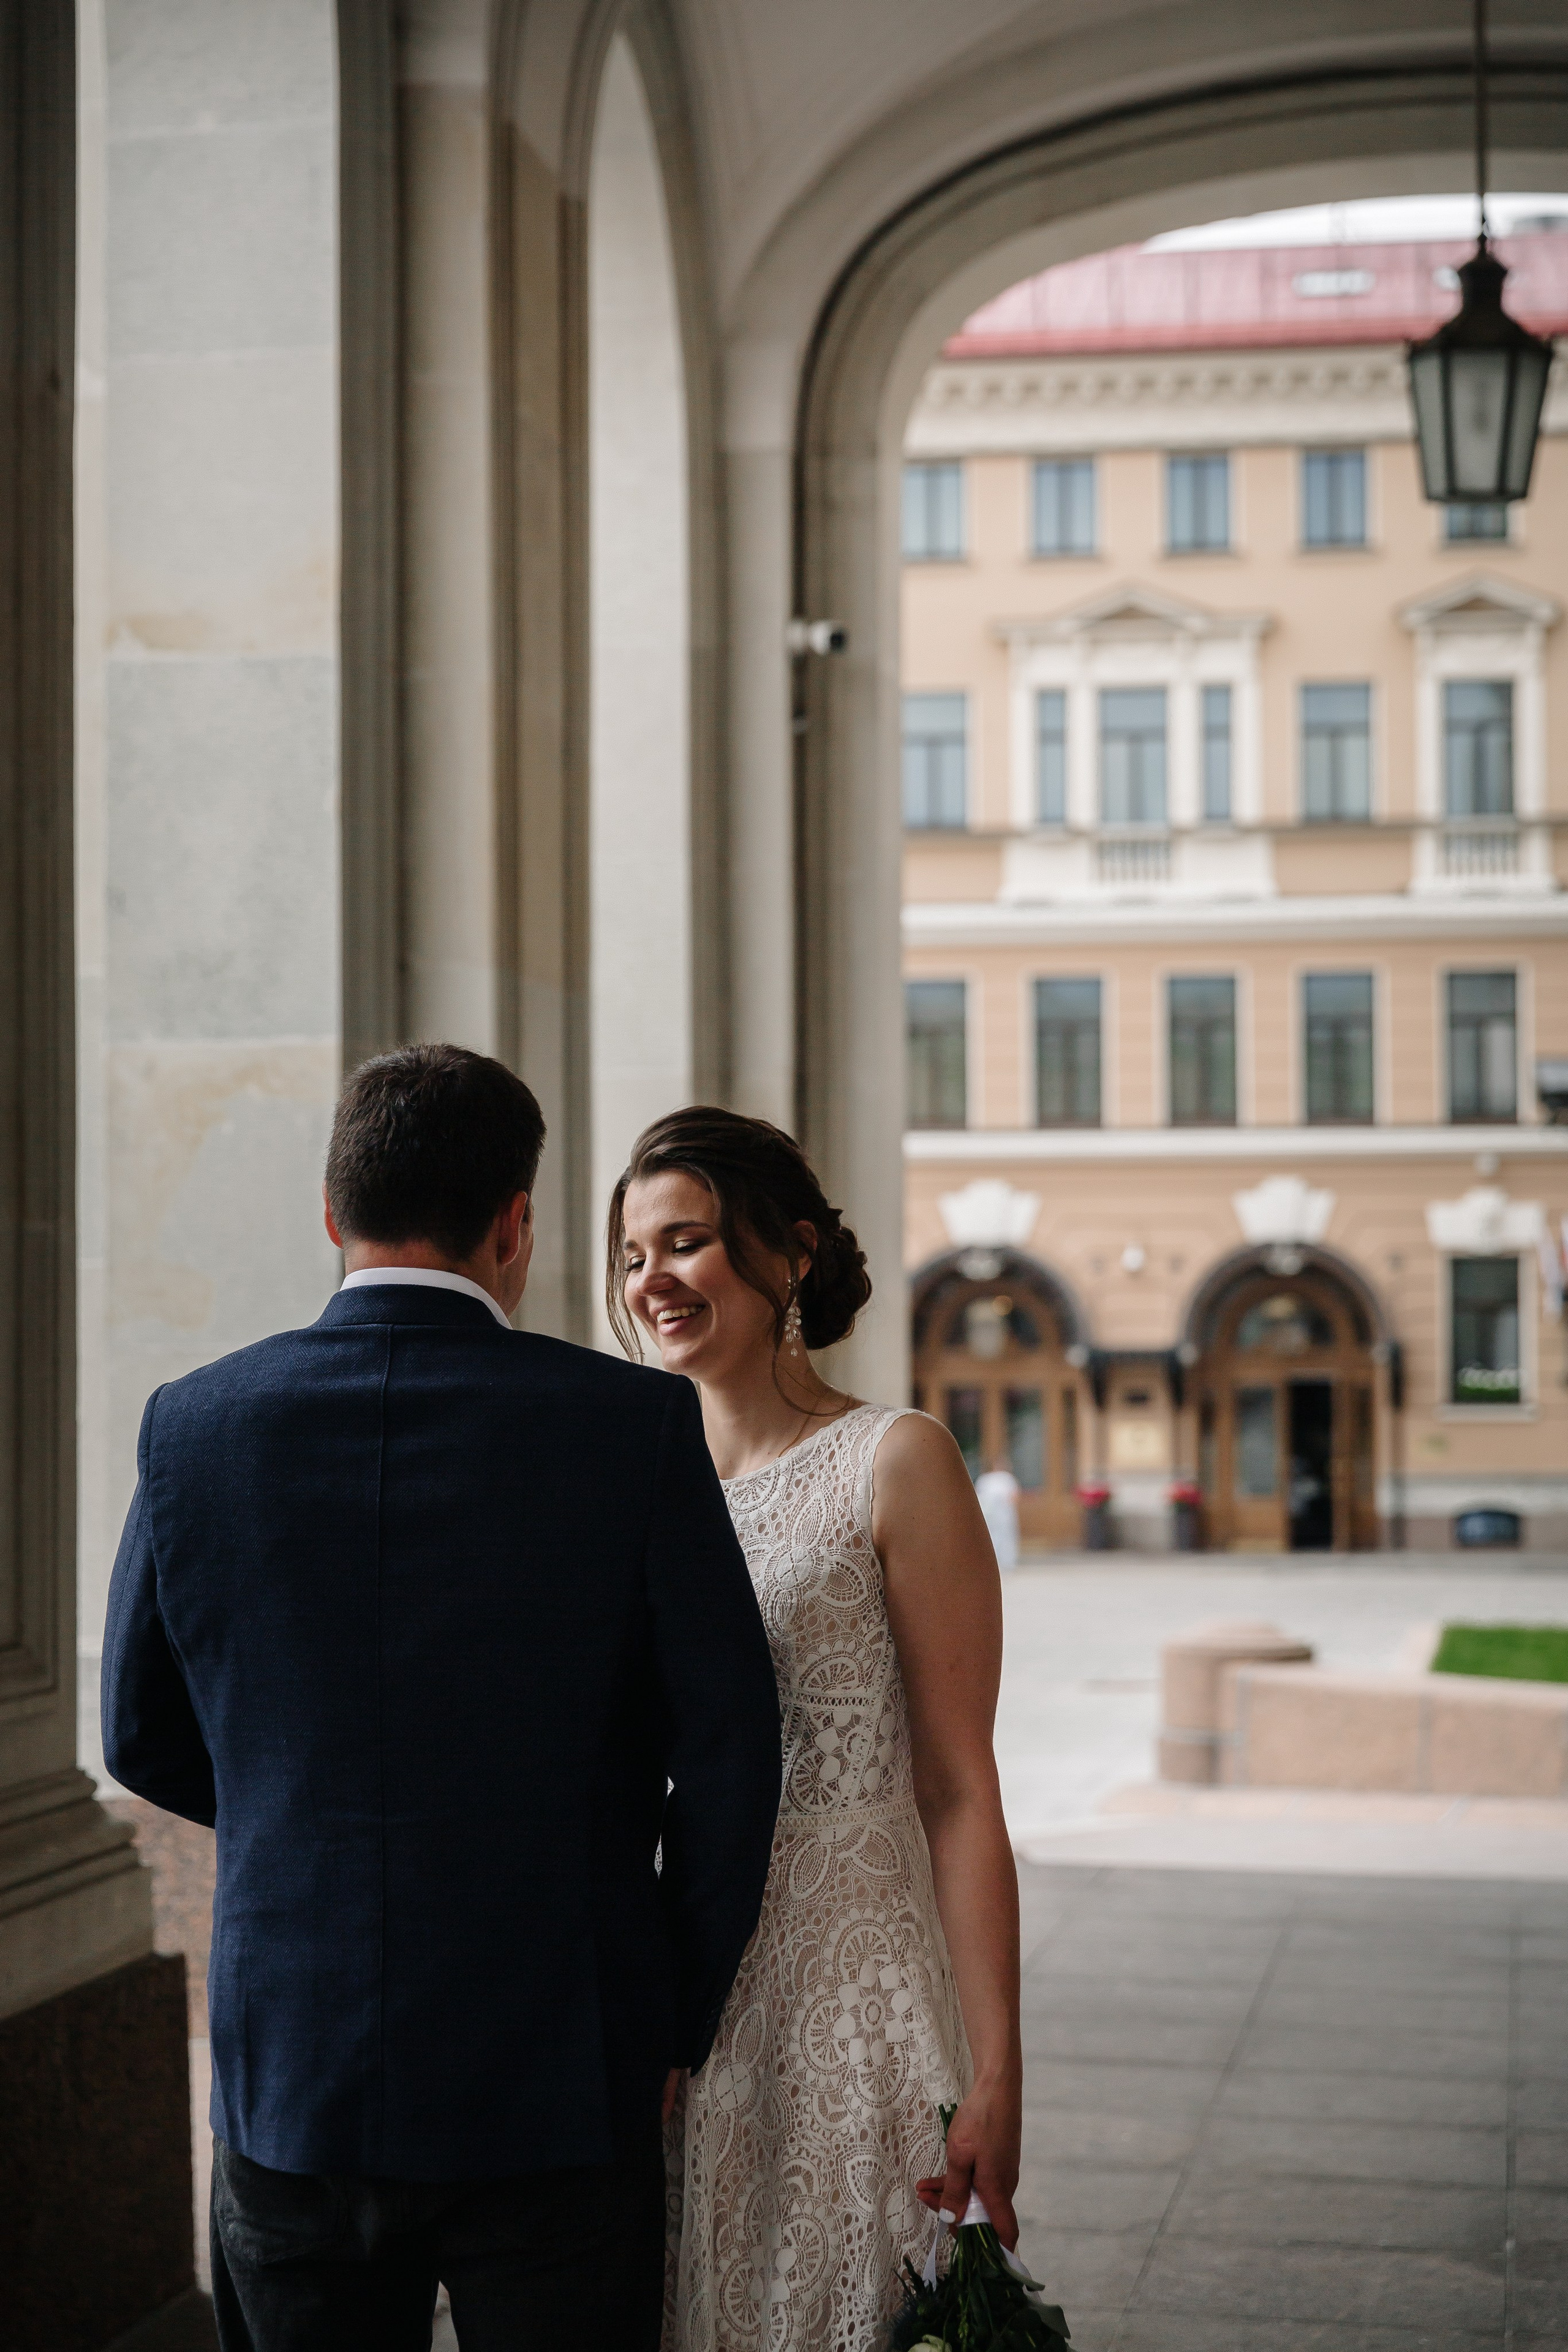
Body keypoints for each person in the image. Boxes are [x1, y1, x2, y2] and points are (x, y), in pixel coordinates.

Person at [101, 1045, 781, 2352]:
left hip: (293, 2069)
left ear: (327, 1210)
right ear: (515, 1223)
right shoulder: (633, 1426)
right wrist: (665, 2014)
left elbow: (137, 1729)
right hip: (559, 2069)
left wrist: (299, 1816)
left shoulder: (192, 1425)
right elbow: (730, 1751)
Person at [608, 1109, 1022, 2352]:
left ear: (787, 1254)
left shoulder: (894, 1461)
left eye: (684, 1243)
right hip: (694, 2003)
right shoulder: (629, 1483)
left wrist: (996, 2066)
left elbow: (958, 1788)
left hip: (859, 2001)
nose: (652, 1282)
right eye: (632, 1257)